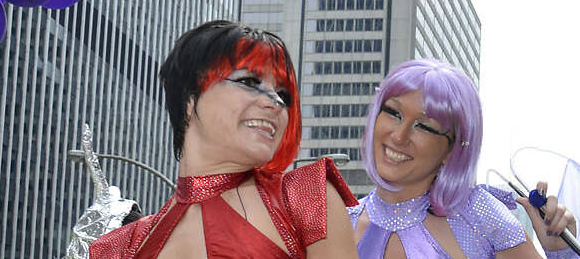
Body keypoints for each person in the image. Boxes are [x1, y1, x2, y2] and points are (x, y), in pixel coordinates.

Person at [90, 20, 359, 258]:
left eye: (284, 94)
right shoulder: (118, 248)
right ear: (190, 98)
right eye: (249, 82)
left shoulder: (307, 197)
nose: (276, 102)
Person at [350, 58, 578, 258]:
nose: (399, 136)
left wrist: (561, 253)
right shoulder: (333, 225)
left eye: (424, 126)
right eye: (393, 113)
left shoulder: (480, 217)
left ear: (454, 148)